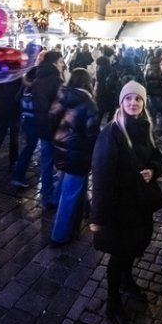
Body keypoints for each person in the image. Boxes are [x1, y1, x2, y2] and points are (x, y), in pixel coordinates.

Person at [90, 81, 162, 324]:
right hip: (119, 208)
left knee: (132, 249)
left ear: (144, 104)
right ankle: (113, 304)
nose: (133, 103)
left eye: (138, 99)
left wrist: (153, 170)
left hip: (138, 206)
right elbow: (101, 177)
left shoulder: (145, 128)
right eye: (128, 99)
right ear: (121, 102)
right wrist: (97, 218)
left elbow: (156, 157)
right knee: (118, 256)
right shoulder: (112, 132)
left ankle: (127, 279)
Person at [49, 68, 99, 246]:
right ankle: (59, 235)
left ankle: (78, 219)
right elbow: (92, 134)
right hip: (78, 154)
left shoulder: (63, 95)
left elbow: (52, 118)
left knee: (67, 187)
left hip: (61, 148)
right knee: (70, 194)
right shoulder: (89, 104)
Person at [32, 50, 65, 207]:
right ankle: (55, 196)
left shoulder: (38, 78)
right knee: (59, 163)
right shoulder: (55, 80)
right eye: (60, 62)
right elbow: (59, 106)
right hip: (55, 127)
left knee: (46, 162)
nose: (62, 65)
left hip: (42, 126)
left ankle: (46, 196)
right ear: (54, 63)